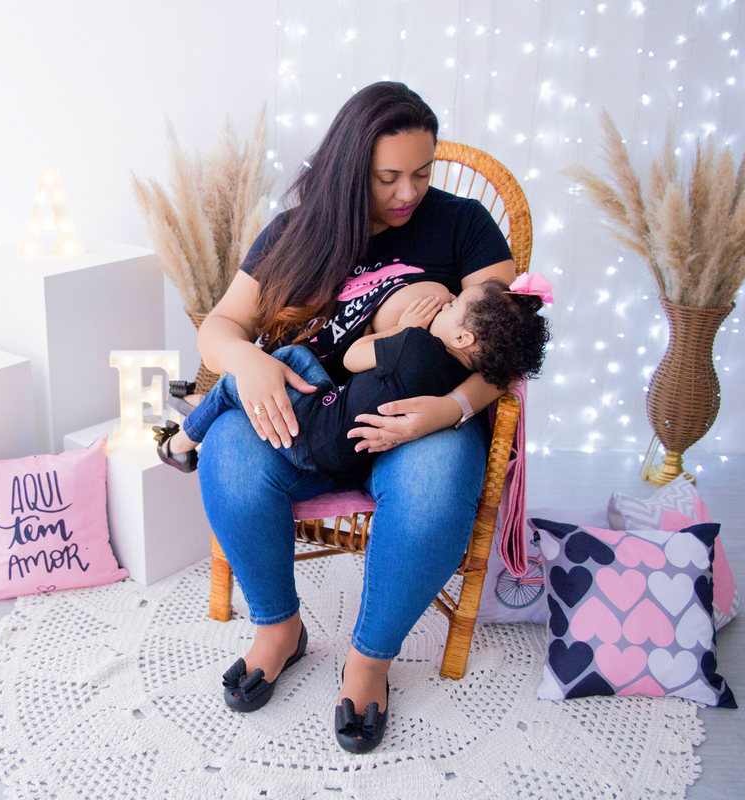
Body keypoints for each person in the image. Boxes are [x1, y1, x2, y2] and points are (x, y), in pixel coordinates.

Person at [190, 81, 524, 754]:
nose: (409, 193)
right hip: (312, 417)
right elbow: (222, 324)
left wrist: (450, 408)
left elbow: (504, 348)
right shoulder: (294, 233)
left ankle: (369, 660)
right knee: (228, 449)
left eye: (423, 173)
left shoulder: (463, 226)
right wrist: (246, 363)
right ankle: (278, 629)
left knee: (433, 489)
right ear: (349, 170)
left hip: (417, 423)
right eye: (389, 178)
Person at [153, 282, 549, 477]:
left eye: (452, 305)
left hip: (311, 436)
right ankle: (200, 403)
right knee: (294, 357)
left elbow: (353, 356)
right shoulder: (463, 375)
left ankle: (178, 445)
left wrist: (403, 330)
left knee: (234, 383)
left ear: (463, 337)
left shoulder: (415, 342)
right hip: (346, 450)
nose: (444, 303)